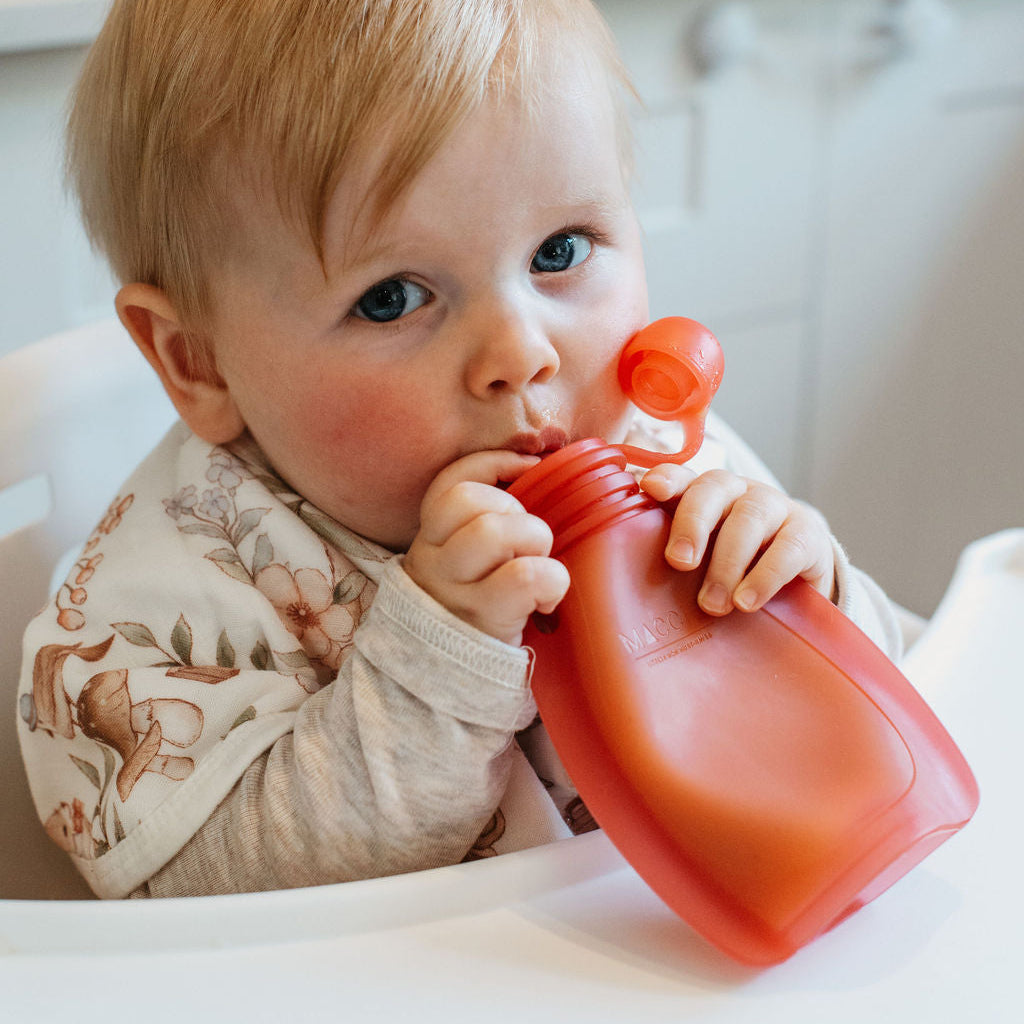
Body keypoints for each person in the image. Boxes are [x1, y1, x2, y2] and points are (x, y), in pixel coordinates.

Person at [17, 0, 901, 899]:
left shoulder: (662, 461)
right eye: (393, 299)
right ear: (195, 359)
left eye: (560, 249)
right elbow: (203, 915)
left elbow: (878, 739)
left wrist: (805, 599)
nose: (523, 353)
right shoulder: (160, 606)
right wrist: (434, 669)